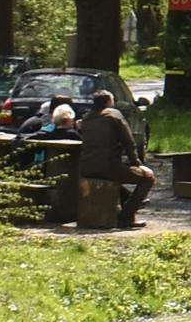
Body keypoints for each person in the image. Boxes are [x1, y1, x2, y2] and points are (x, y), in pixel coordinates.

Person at [62, 84, 149, 230]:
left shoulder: (85, 119)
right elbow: (128, 142)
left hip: (86, 168)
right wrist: (138, 164)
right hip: (109, 167)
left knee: (120, 186)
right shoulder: (113, 115)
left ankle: (125, 204)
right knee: (147, 179)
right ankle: (125, 217)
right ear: (109, 102)